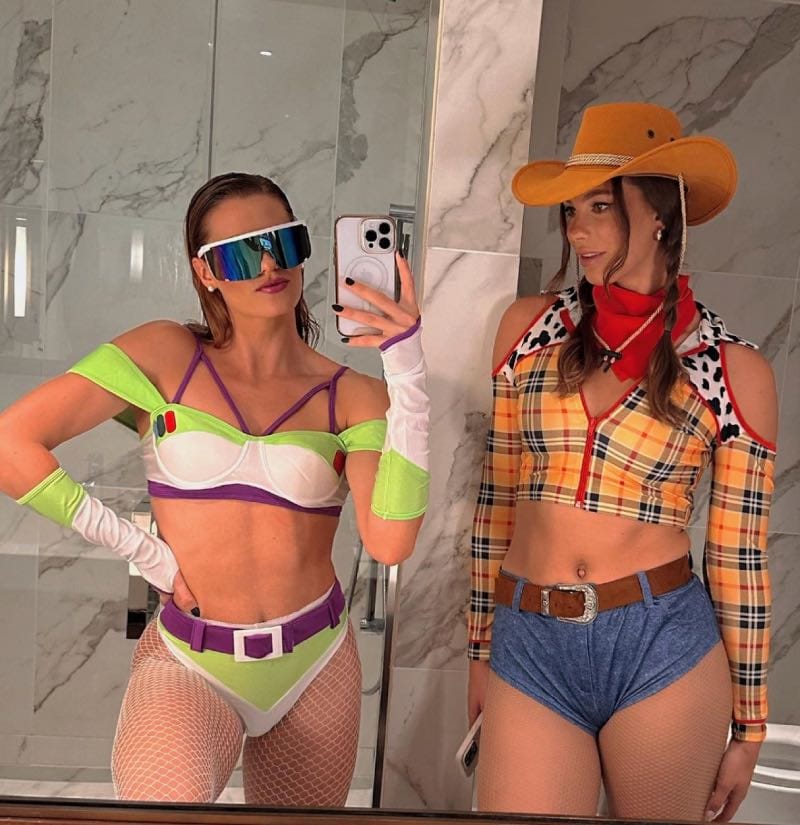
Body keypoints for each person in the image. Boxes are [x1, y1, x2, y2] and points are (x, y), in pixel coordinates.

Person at [0, 172, 429, 806]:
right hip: (190, 658)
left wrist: (408, 369)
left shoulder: (356, 395)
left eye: (282, 242)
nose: (267, 265)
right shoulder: (165, 354)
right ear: (206, 272)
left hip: (316, 663)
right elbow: (12, 443)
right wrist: (144, 551)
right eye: (239, 254)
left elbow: (390, 542)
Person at [467, 102, 777, 822]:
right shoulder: (527, 332)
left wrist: (751, 728)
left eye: (600, 207)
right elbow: (496, 507)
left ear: (660, 214)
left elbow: (738, 558)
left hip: (661, 644)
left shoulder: (732, 369)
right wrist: (479, 651)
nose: (577, 231)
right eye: (571, 211)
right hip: (530, 635)